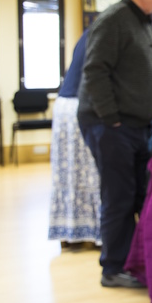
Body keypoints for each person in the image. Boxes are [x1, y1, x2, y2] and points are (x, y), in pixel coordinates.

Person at [77, 0, 152, 289]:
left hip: (138, 123)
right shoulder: (114, 20)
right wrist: (111, 119)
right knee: (119, 196)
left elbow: (150, 71)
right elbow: (94, 72)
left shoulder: (142, 21)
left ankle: (134, 263)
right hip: (113, 126)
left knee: (139, 195)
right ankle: (112, 268)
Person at [48, 29, 101, 246]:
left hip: (65, 106)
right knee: (91, 173)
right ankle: (91, 233)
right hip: (81, 107)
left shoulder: (90, 34)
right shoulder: (105, 34)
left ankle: (71, 232)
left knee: (69, 173)